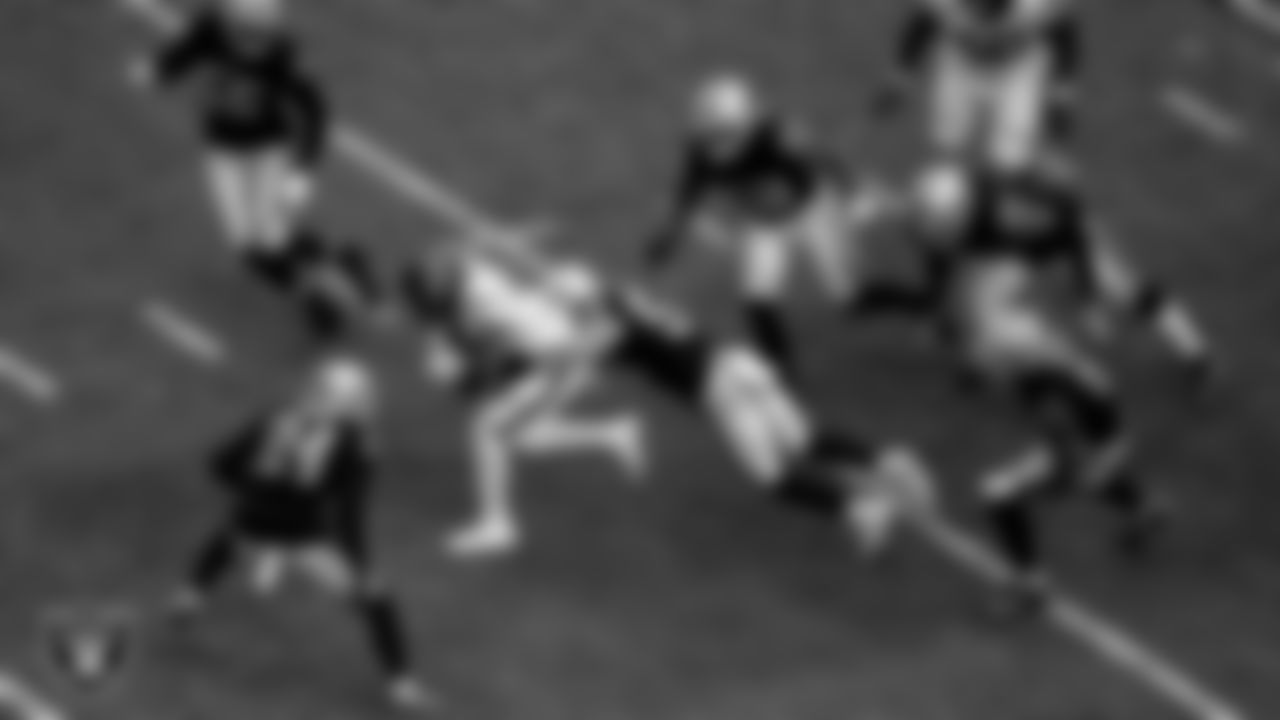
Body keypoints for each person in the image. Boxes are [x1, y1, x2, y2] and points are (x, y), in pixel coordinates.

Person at [167, 356, 431, 709]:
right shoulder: (356, 445)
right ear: (348, 402)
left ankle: (190, 595)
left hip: (254, 521)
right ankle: (401, 683)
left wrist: (254, 487)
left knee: (233, 533)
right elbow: (350, 516)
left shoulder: (274, 419)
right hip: (303, 534)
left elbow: (220, 465)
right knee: (376, 599)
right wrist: (363, 567)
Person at [401, 244, 648, 559]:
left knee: (490, 429)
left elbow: (504, 363)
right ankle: (614, 433)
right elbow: (457, 301)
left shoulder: (486, 309)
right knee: (518, 435)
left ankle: (497, 527)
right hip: (551, 337)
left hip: (563, 361)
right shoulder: (470, 277)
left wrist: (462, 374)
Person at [646, 74, 881, 383]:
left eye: (723, 133)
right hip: (764, 225)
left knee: (854, 300)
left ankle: (926, 302)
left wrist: (853, 189)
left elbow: (821, 155)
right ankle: (781, 366)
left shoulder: (775, 136)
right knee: (757, 300)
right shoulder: (702, 150)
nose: (717, 142)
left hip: (811, 213)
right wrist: (669, 236)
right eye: (712, 133)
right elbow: (688, 194)